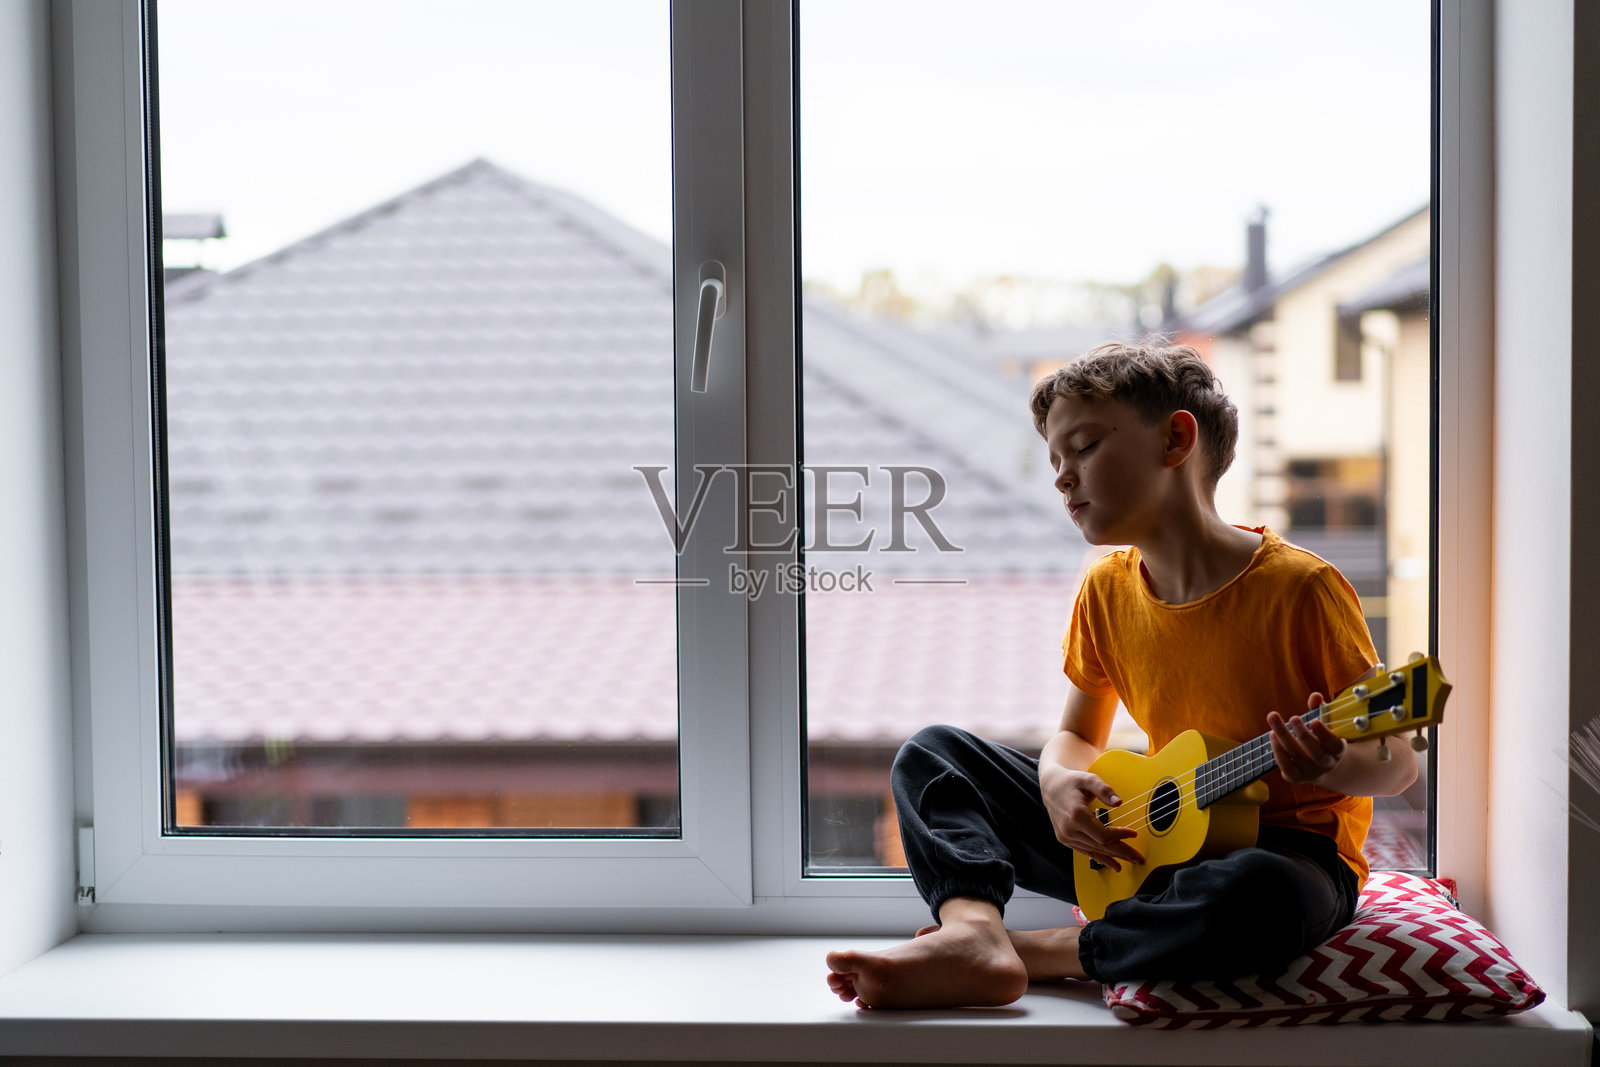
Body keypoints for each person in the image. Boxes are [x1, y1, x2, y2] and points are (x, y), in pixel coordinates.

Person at [825, 341, 1418, 1010]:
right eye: (1055, 461)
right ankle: (972, 931)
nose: (1062, 478)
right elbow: (1078, 736)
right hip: (1144, 839)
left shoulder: (1302, 589)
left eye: (1082, 447)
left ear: (1175, 440)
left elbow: (1397, 761)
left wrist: (1335, 763)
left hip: (1287, 853)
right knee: (933, 756)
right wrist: (1057, 781)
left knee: (1258, 895)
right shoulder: (1106, 589)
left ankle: (1040, 952)